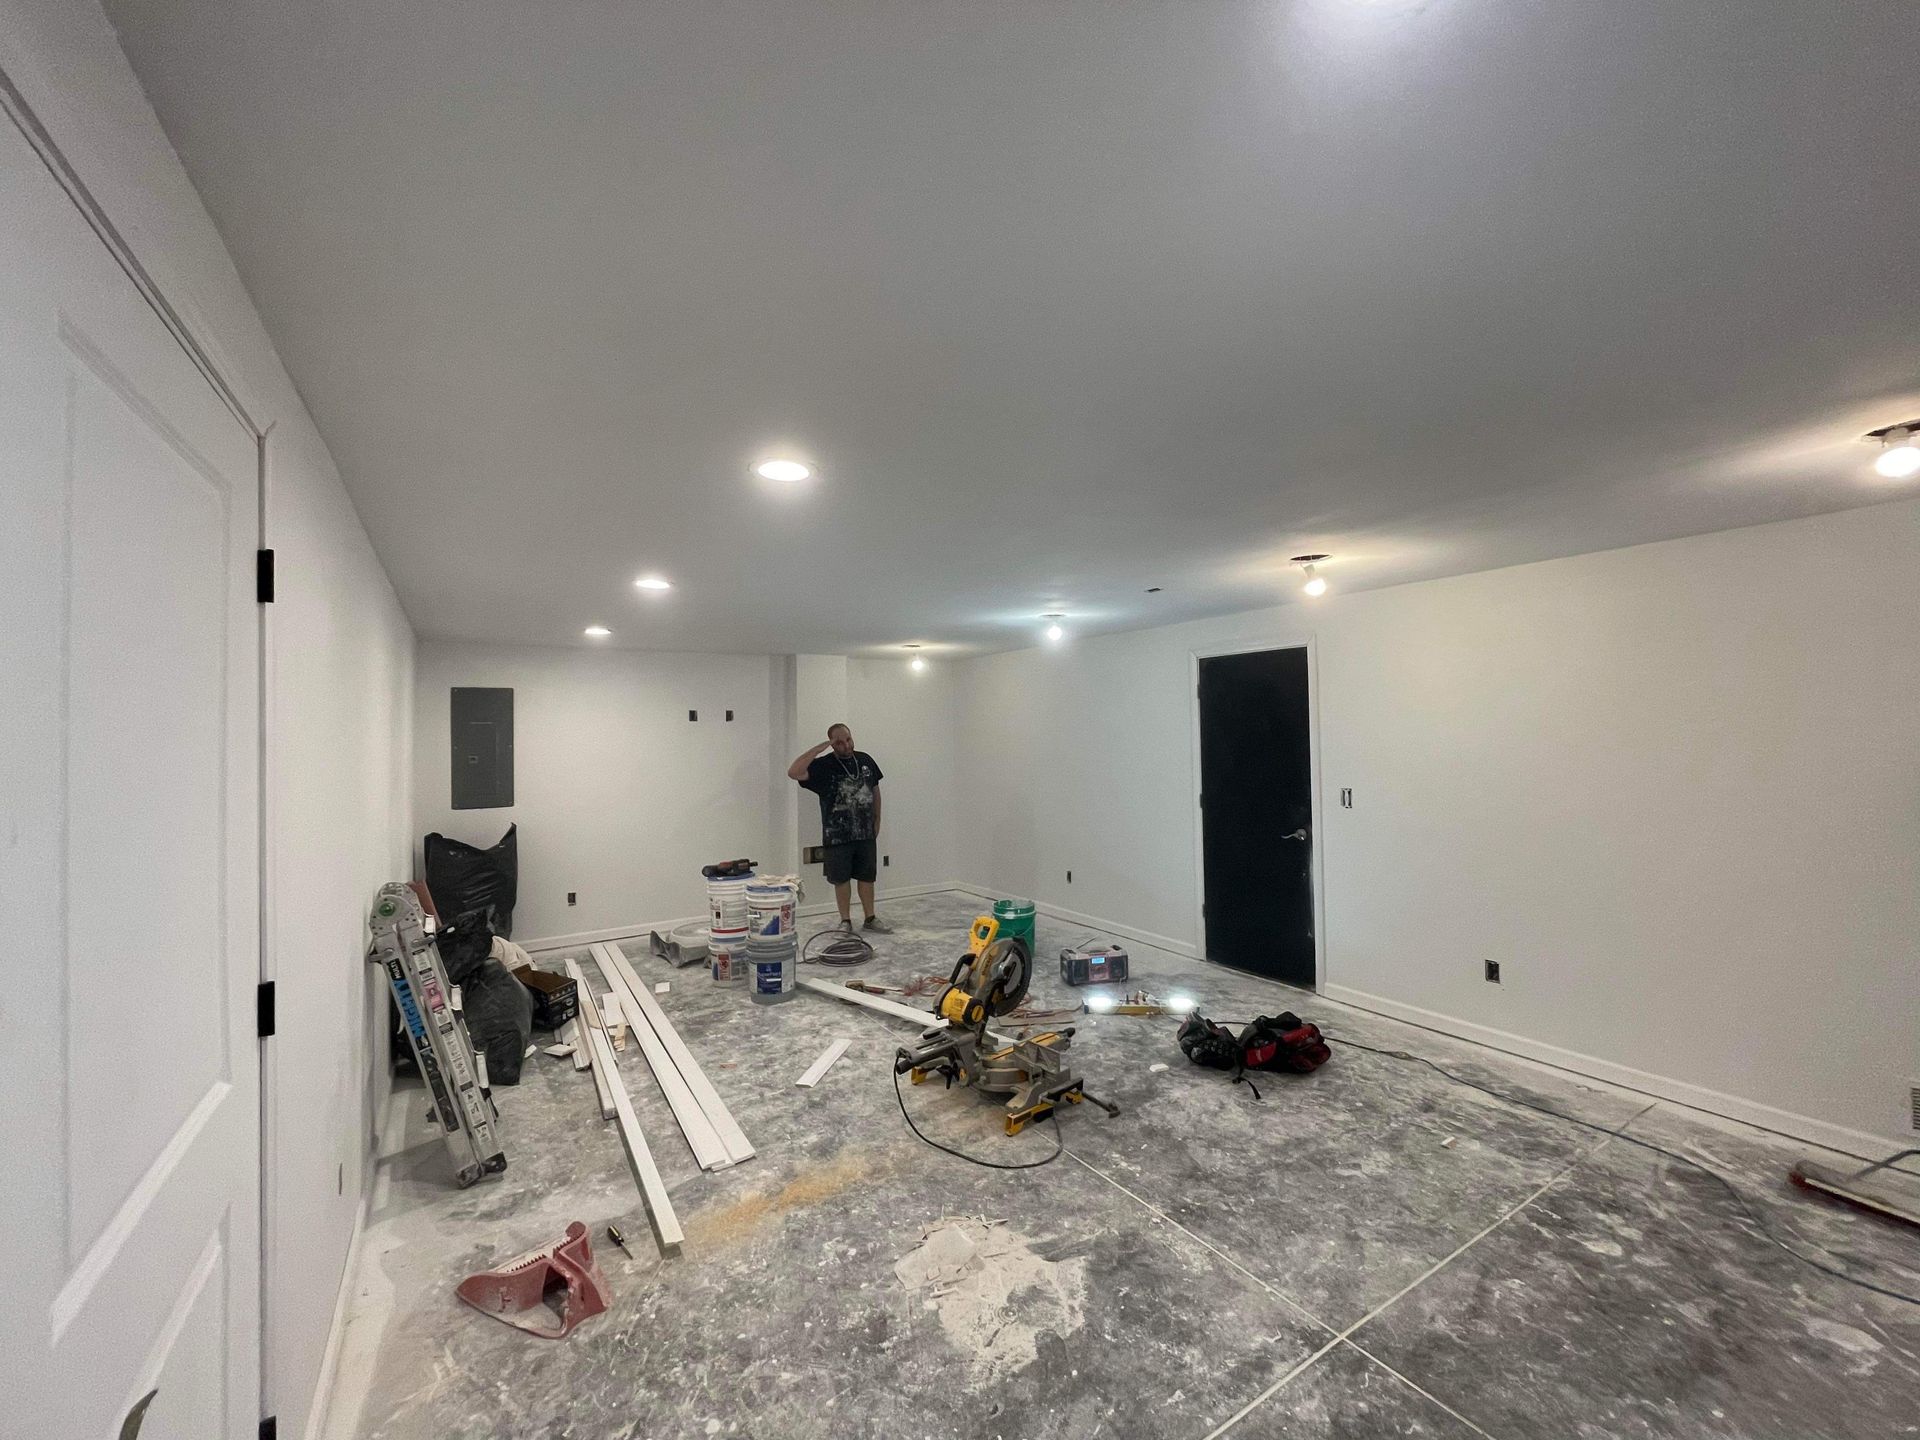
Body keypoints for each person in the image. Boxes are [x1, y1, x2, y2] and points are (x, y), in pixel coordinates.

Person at [788, 723, 891, 932]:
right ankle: (845, 921)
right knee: (841, 879)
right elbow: (794, 772)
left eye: (849, 740)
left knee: (867, 877)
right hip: (836, 836)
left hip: (864, 833)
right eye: (840, 742)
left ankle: (870, 918)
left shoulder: (865, 760)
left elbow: (875, 791)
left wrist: (877, 821)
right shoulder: (823, 766)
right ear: (833, 744)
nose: (846, 745)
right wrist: (819, 748)